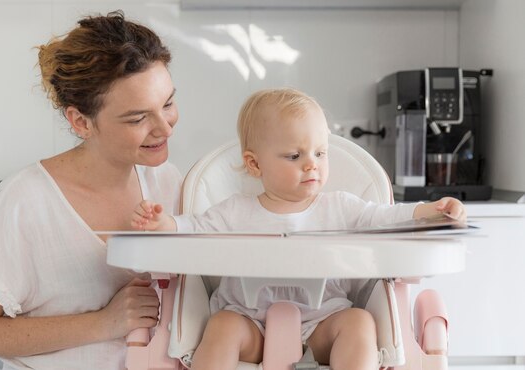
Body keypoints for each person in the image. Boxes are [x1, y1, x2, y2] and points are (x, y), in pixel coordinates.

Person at [131, 88, 466, 370]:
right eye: (294, 156)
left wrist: (429, 212)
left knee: (359, 322)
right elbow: (194, 228)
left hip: (323, 322)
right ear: (255, 164)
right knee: (221, 327)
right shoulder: (235, 211)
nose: (311, 164)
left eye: (320, 153)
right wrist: (164, 225)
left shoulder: (340, 207)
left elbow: (386, 217)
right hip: (250, 324)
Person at [0, 10, 182, 369]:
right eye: (138, 118)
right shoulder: (26, 200)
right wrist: (105, 322)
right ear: (80, 122)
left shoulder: (171, 184)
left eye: (167, 103)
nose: (164, 128)